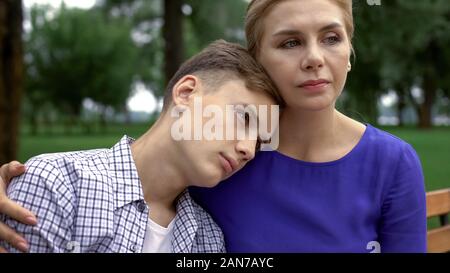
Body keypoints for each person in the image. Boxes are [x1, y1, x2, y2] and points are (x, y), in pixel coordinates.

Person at [0, 0, 427, 253]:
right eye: (290, 41)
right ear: (258, 58)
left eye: (332, 38)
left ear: (351, 52)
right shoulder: (213, 169)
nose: (314, 57)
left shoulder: (202, 223)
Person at [0, 40, 279, 253]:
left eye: (259, 141)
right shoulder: (57, 183)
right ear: (186, 93)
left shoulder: (208, 238)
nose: (249, 150)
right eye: (244, 118)